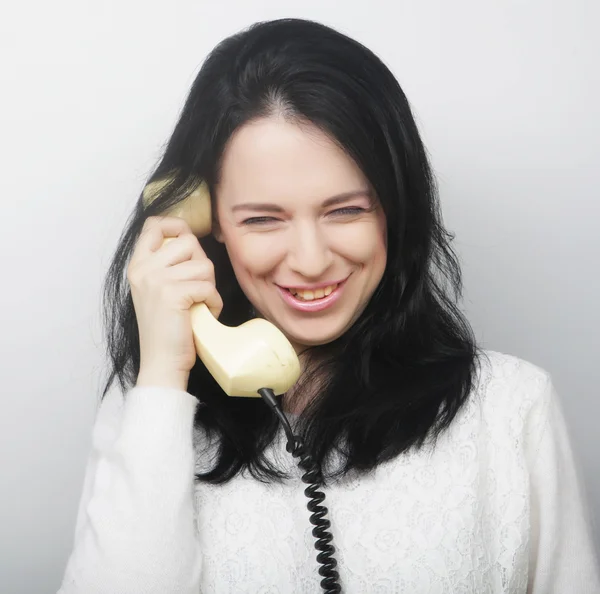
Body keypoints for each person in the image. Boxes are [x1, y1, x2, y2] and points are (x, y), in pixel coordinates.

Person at [58, 17, 599, 594]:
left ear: (394, 207)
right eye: (263, 219)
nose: (312, 261)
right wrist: (165, 374)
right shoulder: (149, 414)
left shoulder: (511, 408)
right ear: (206, 224)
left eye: (346, 211)